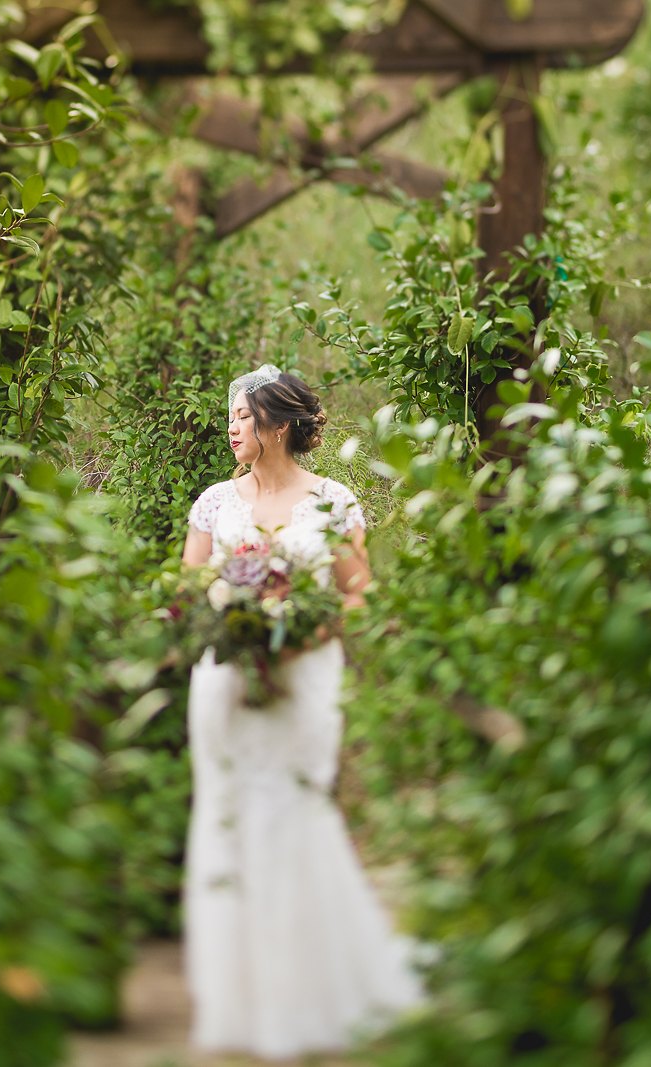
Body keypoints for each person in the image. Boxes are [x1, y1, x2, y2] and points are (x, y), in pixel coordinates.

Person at [180, 363, 425, 1060]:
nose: (232, 428)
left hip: (306, 676)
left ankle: (312, 990)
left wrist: (304, 630)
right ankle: (239, 996)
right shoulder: (214, 504)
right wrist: (236, 620)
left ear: (278, 425)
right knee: (227, 811)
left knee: (296, 806)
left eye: (242, 417)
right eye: (229, 417)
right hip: (225, 678)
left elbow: (359, 593)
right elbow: (191, 588)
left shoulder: (334, 502)